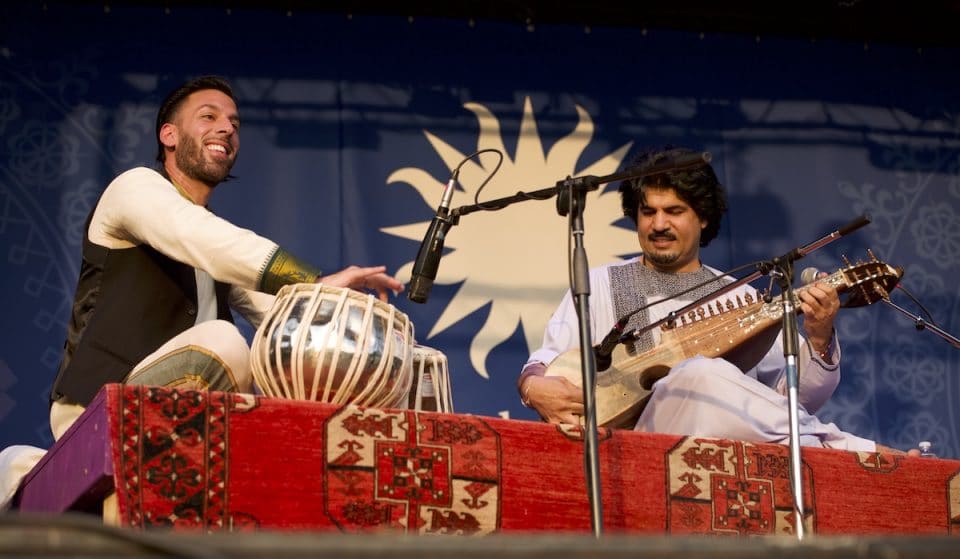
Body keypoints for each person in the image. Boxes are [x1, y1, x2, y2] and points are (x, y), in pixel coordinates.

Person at [0, 75, 404, 506]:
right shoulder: (134, 189)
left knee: (283, 372)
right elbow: (198, 235)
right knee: (225, 343)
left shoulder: (215, 245)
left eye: (234, 122)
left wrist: (344, 318)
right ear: (168, 135)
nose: (227, 128)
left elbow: (283, 317)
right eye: (208, 116)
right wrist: (312, 281)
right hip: (99, 406)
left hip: (182, 406)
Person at [518, 145, 911, 455]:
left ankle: (830, 447)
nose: (658, 224)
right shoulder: (600, 283)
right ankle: (849, 450)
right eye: (648, 212)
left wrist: (820, 336)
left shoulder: (739, 297)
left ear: (702, 217)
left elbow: (791, 403)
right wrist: (533, 387)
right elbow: (547, 360)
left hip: (715, 440)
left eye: (674, 211)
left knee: (701, 376)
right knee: (697, 374)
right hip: (632, 444)